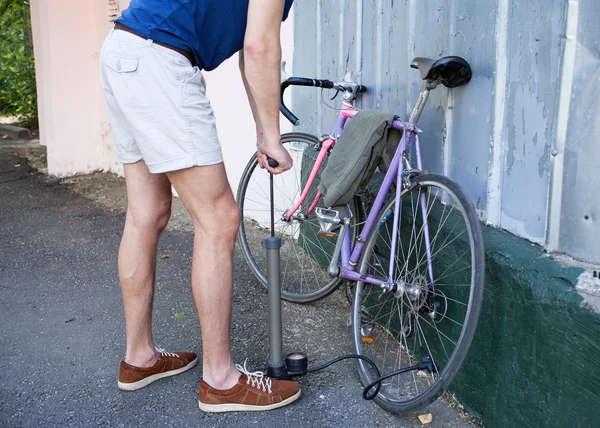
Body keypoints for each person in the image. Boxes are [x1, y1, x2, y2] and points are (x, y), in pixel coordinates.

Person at [99, 0, 298, 412]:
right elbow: (261, 45)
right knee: (219, 218)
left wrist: (264, 131)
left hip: (124, 49)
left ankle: (139, 359)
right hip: (160, 61)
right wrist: (273, 137)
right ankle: (221, 380)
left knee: (146, 211)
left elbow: (249, 47)